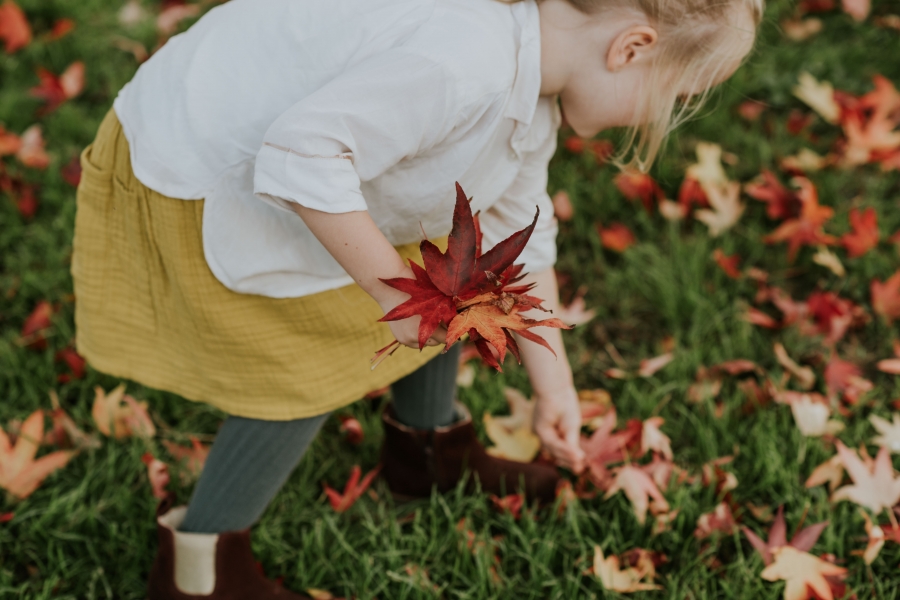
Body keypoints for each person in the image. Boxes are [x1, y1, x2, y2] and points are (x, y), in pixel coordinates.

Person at [71, 0, 761, 597]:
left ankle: (425, 454)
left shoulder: (529, 87)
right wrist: (397, 295)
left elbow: (518, 235)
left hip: (312, 159)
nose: (667, 116)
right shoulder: (464, 63)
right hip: (206, 163)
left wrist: (556, 385)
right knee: (300, 359)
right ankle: (202, 568)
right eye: (677, 95)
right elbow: (303, 154)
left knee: (459, 275)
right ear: (631, 48)